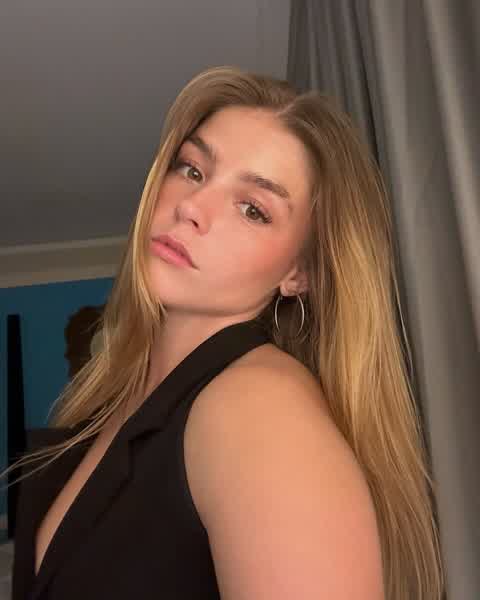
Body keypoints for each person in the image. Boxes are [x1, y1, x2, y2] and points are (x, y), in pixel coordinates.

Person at [1, 65, 444, 600]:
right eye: (192, 169)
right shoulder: (114, 406)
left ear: (298, 272)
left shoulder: (260, 408)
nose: (191, 206)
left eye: (253, 209)